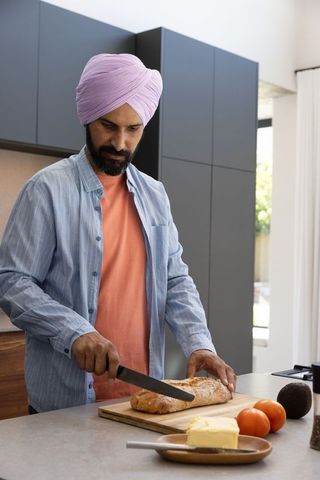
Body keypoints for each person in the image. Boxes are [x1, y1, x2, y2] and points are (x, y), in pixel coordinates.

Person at [0, 53, 236, 413]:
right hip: (66, 407)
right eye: (109, 126)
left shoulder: (155, 194)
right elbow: (12, 280)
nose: (121, 142)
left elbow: (175, 280)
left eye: (133, 129)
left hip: (143, 401)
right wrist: (74, 331)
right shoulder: (46, 190)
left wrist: (199, 344)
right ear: (87, 117)